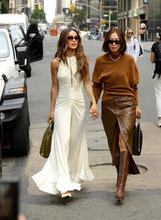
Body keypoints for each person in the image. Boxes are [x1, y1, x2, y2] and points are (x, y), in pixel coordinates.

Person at [32, 27, 98, 199]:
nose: (74, 40)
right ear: (64, 40)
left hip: (78, 104)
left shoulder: (83, 59)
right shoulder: (55, 62)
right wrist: (51, 109)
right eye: (70, 37)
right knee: (63, 140)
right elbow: (54, 86)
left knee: (76, 141)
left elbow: (88, 83)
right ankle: (63, 184)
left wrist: (94, 102)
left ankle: (73, 176)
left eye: (76, 37)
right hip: (61, 104)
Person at [92, 27, 142, 201]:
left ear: (122, 43)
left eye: (117, 41)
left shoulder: (129, 60)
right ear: (107, 42)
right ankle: (120, 174)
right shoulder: (100, 61)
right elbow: (97, 85)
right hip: (108, 105)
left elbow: (134, 86)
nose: (114, 44)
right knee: (114, 145)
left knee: (123, 142)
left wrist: (136, 105)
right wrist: (94, 103)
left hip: (127, 103)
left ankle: (121, 186)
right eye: (111, 41)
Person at [150, 32, 161, 127]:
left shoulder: (155, 45)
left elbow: (152, 60)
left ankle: (160, 119)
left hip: (158, 73)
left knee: (158, 95)